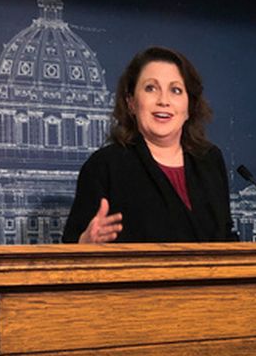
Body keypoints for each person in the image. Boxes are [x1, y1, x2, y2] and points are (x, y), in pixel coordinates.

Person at [62, 46, 236, 243]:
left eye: (176, 90)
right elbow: (73, 245)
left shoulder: (209, 160)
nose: (163, 101)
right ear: (131, 103)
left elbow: (225, 235)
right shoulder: (105, 166)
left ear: (190, 106)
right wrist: (86, 243)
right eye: (151, 88)